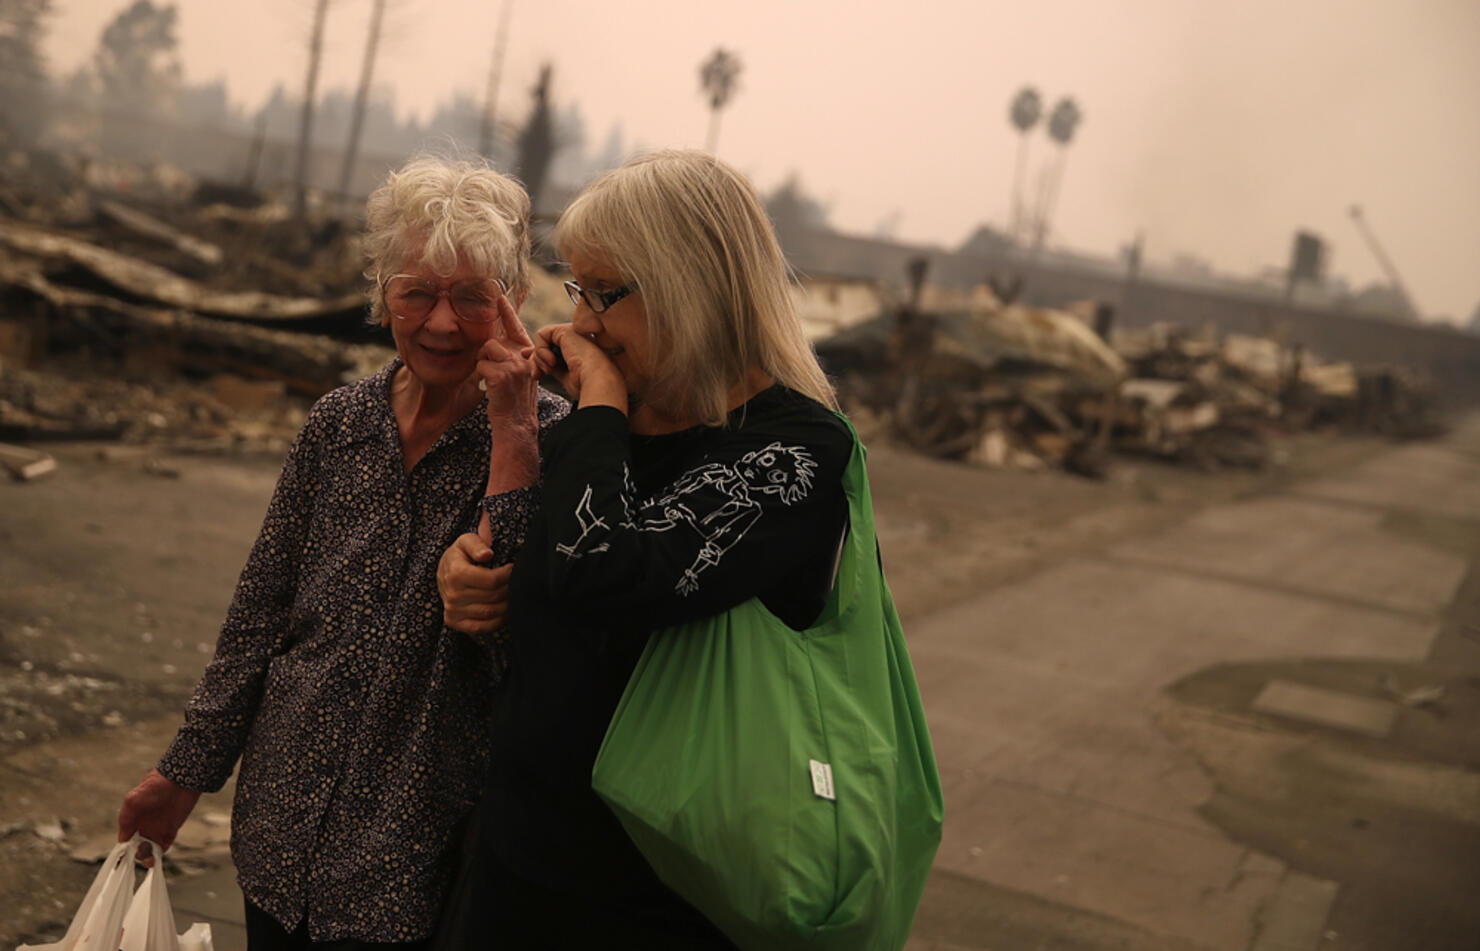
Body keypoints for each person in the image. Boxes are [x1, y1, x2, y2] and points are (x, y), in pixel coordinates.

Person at [115, 155, 568, 950]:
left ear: (516, 302)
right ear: (381, 291)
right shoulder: (339, 424)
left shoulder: (556, 441)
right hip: (279, 836)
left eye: (472, 296)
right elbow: (259, 614)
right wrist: (183, 773)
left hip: (416, 860)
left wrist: (515, 432)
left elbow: (526, 647)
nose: (441, 322)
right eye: (416, 291)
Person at [437, 149, 856, 947]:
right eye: (577, 291)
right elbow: (548, 572)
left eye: (605, 293)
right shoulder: (612, 424)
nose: (585, 321)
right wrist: (471, 570)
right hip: (519, 859)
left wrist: (597, 399)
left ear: (688, 284)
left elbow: (608, 572)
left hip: (666, 888)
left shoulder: (791, 451)